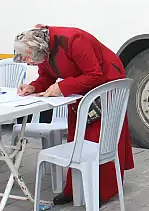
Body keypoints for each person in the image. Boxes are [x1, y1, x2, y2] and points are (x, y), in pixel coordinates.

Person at [14, 25, 135, 206]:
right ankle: (74, 189)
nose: (30, 62)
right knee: (76, 135)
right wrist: (33, 87)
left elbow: (95, 74)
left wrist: (62, 87)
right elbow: (46, 77)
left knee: (99, 137)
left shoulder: (74, 41)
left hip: (107, 79)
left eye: (31, 59)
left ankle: (103, 190)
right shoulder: (44, 49)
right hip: (81, 84)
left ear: (40, 49)